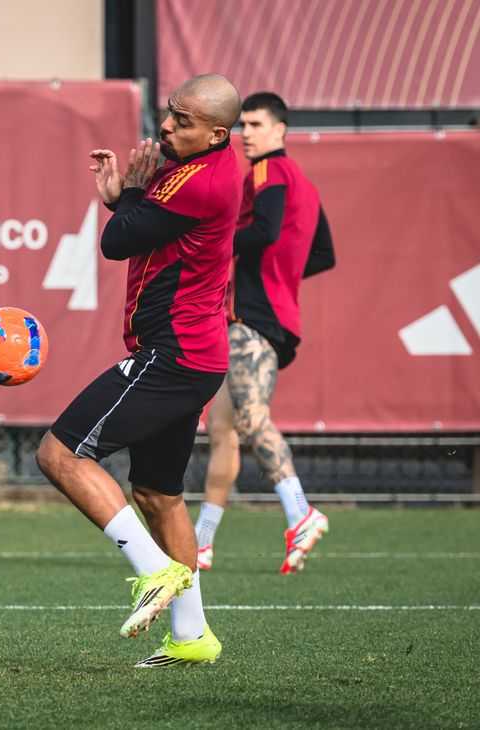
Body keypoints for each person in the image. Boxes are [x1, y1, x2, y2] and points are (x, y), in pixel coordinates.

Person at [35, 74, 242, 667]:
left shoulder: (203, 182)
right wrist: (129, 194)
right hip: (191, 355)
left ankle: (154, 571)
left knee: (58, 453)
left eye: (183, 121)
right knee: (157, 493)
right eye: (169, 113)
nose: (168, 126)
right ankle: (193, 636)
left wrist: (126, 192)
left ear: (217, 134)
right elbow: (136, 221)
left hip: (174, 355)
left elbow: (117, 240)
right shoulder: (201, 168)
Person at [194, 92, 336, 575]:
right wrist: (280, 276)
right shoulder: (306, 184)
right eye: (243, 126)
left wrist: (212, 243)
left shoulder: (266, 170)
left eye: (256, 124)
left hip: (251, 316)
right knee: (221, 428)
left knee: (252, 421)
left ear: (280, 131)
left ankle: (300, 512)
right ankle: (201, 543)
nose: (246, 133)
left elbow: (267, 230)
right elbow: (323, 256)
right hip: (273, 314)